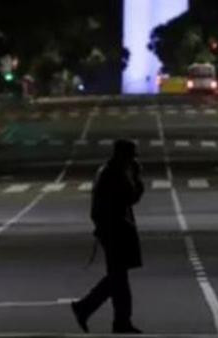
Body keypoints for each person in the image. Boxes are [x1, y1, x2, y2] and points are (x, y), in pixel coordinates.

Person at [71, 138, 144, 334]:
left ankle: (102, 314)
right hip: (116, 230)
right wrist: (137, 179)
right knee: (118, 278)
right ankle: (95, 311)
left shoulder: (108, 170)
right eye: (130, 157)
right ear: (123, 155)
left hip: (113, 229)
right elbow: (131, 197)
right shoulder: (115, 174)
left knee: (118, 277)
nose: (132, 161)